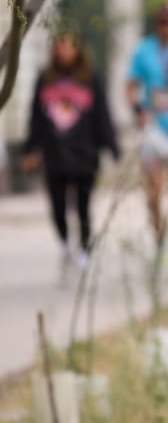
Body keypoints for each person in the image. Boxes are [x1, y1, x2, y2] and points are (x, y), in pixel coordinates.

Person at [21, 31, 120, 275]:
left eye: (70, 45)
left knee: (84, 207)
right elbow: (35, 118)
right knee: (57, 206)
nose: (65, 49)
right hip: (55, 154)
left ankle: (85, 249)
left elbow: (102, 116)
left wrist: (112, 147)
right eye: (60, 44)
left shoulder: (90, 78)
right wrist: (30, 149)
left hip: (85, 153)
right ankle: (65, 243)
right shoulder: (45, 79)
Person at [126, 0, 168, 284]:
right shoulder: (145, 50)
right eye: (163, 20)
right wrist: (138, 110)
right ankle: (159, 239)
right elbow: (130, 86)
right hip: (155, 132)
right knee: (153, 194)